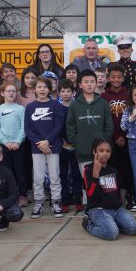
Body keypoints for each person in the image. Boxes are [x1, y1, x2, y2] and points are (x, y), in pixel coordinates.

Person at [81, 138, 136, 240]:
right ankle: (88, 224)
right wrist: (96, 173)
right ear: (95, 152)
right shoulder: (88, 170)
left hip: (115, 209)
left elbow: (116, 193)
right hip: (97, 209)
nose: (105, 154)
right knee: (111, 233)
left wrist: (118, 204)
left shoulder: (113, 170)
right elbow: (90, 195)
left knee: (134, 229)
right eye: (101, 150)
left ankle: (111, 223)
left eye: (108, 151)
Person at [66, 70, 114, 183]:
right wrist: (76, 142)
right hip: (82, 151)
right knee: (87, 183)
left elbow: (109, 125)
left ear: (96, 83)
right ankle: (87, 202)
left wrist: (104, 143)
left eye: (92, 81)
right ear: (80, 85)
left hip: (101, 152)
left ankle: (102, 202)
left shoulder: (103, 103)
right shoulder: (74, 105)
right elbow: (70, 126)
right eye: (86, 82)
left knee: (103, 182)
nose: (89, 84)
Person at [101, 63, 136, 210]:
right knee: (112, 168)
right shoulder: (103, 96)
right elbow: (105, 119)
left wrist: (123, 135)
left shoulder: (128, 94)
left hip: (128, 137)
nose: (116, 79)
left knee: (128, 168)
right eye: (113, 77)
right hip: (111, 138)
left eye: (119, 77)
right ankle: (113, 195)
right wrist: (116, 136)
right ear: (108, 78)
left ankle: (129, 195)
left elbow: (133, 116)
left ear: (123, 78)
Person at [0, 82, 27, 207]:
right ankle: (9, 196)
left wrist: (17, 141)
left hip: (18, 145)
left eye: (13, 91)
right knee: (6, 172)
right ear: (2, 93)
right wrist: (6, 142)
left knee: (20, 171)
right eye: (8, 91)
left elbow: (24, 127)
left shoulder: (21, 109)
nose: (11, 93)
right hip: (4, 146)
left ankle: (22, 195)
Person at [56, 79, 83, 212]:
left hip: (76, 145)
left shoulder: (77, 106)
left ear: (73, 92)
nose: (65, 93)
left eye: (68, 91)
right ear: (58, 93)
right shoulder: (56, 108)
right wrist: (62, 141)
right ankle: (65, 201)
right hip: (62, 146)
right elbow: (56, 127)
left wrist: (75, 140)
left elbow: (80, 126)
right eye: (62, 91)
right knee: (62, 174)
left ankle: (78, 200)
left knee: (77, 174)